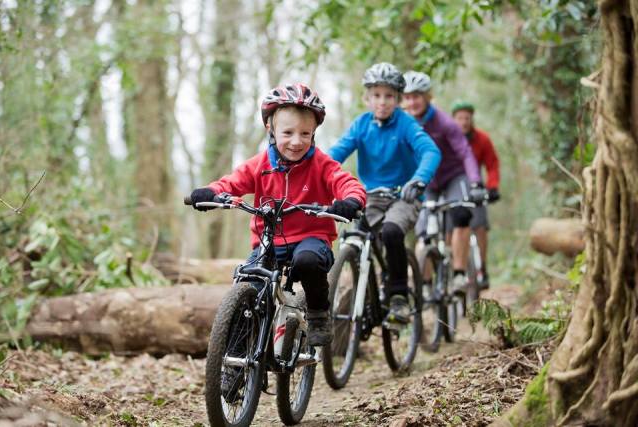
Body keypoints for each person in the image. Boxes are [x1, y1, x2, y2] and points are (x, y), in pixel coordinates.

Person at [189, 83, 367, 347]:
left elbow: (347, 183)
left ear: (314, 133)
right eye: (288, 132)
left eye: (305, 133)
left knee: (307, 260)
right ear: (270, 129)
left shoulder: (321, 164)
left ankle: (318, 314)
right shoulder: (260, 164)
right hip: (269, 241)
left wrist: (351, 201)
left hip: (311, 238)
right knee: (249, 284)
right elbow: (231, 183)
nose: (296, 141)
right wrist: (211, 192)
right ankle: (236, 359)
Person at [329, 62, 441, 324]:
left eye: (389, 96)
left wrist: (419, 179)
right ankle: (365, 293)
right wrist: (315, 174)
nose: (382, 101)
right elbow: (335, 154)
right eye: (376, 95)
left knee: (391, 231)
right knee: (357, 236)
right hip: (372, 197)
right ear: (366, 98)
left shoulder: (406, 124)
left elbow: (430, 151)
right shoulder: (361, 125)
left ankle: (399, 295)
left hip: (405, 196)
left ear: (398, 99)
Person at [402, 71, 485, 295]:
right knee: (423, 233)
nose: (412, 102)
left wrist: (476, 183)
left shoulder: (444, 122)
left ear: (427, 97)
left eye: (416, 96)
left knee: (461, 214)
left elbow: (465, 152)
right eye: (407, 97)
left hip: (453, 177)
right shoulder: (402, 123)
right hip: (425, 182)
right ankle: (425, 283)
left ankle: (459, 272)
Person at [451, 100, 500, 288]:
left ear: (472, 119)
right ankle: (453, 267)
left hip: (475, 188)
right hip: (453, 188)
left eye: (467, 118)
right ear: (453, 120)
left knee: (479, 226)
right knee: (450, 228)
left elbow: (492, 164)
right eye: (460, 118)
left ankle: (482, 267)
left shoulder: (482, 139)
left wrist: (492, 187)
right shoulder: (448, 139)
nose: (464, 122)